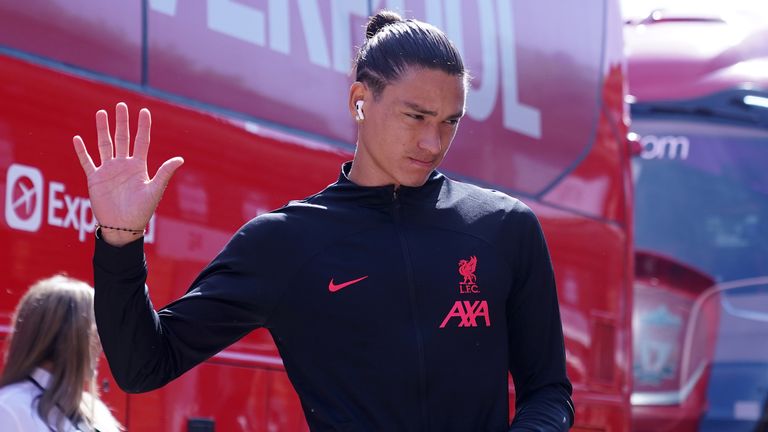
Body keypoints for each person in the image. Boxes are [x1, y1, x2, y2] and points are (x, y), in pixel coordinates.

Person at [73, 10, 574, 431]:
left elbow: (549, 393)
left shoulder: (505, 227)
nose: (433, 142)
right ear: (360, 100)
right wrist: (121, 240)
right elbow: (144, 365)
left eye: (450, 121)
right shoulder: (286, 242)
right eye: (415, 116)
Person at [0, 275, 121, 432]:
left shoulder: (96, 410)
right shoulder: (9, 408)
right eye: (97, 332)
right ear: (66, 336)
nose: (102, 346)